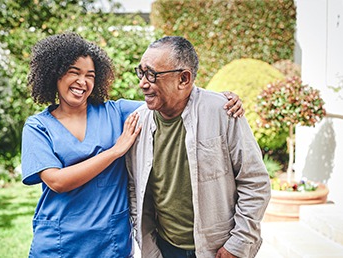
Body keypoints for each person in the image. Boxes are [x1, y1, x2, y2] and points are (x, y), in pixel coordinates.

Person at [21, 32, 244, 257]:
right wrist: (115, 151)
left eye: (90, 75)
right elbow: (57, 181)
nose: (83, 82)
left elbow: (171, 97)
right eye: (74, 72)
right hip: (59, 245)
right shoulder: (38, 127)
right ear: (54, 74)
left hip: (111, 244)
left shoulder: (117, 112)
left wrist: (220, 99)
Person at [126, 36, 271, 258]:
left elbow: (255, 182)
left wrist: (238, 243)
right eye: (141, 72)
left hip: (217, 249)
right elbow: (135, 189)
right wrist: (149, 245)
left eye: (152, 75)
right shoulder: (138, 122)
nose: (143, 83)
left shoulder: (223, 112)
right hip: (164, 248)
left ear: (184, 79)